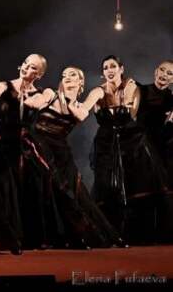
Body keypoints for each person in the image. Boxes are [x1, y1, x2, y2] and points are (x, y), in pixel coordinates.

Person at [27, 66, 122, 248]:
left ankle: (100, 235)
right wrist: (32, 100)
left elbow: (81, 115)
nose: (67, 78)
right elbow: (37, 101)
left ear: (81, 81)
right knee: (56, 184)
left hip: (60, 147)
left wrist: (70, 101)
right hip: (39, 144)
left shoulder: (80, 107)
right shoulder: (51, 94)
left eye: (72, 75)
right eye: (64, 76)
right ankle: (64, 236)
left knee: (77, 188)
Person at [83, 55, 168, 244]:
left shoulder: (131, 86)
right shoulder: (98, 90)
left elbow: (130, 112)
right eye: (105, 67)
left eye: (113, 66)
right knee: (106, 187)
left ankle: (137, 235)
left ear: (121, 69)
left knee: (136, 186)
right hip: (106, 144)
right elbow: (86, 107)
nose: (109, 70)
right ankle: (109, 234)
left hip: (131, 143)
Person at [0, 54, 51, 254]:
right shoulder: (6, 85)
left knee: (36, 180)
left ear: (39, 74)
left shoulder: (42, 92)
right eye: (26, 64)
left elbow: (38, 103)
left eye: (33, 67)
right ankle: (7, 236)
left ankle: (32, 236)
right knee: (2, 184)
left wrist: (29, 97)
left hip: (25, 141)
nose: (27, 68)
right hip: (2, 140)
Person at [136, 60, 173, 242]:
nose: (164, 75)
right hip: (141, 148)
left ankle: (165, 234)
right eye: (162, 70)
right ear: (155, 71)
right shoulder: (140, 90)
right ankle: (143, 234)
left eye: (170, 73)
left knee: (164, 189)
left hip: (164, 149)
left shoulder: (172, 99)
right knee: (143, 190)